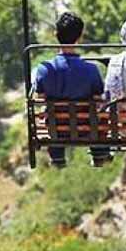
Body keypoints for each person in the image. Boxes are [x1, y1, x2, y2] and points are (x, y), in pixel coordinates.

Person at [34, 12, 106, 168]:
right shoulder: (91, 70)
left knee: (50, 113)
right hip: (87, 129)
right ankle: (99, 153)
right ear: (80, 37)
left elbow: (40, 96)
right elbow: (98, 99)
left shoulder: (44, 69)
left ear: (56, 35)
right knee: (100, 114)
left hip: (57, 130)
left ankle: (58, 156)